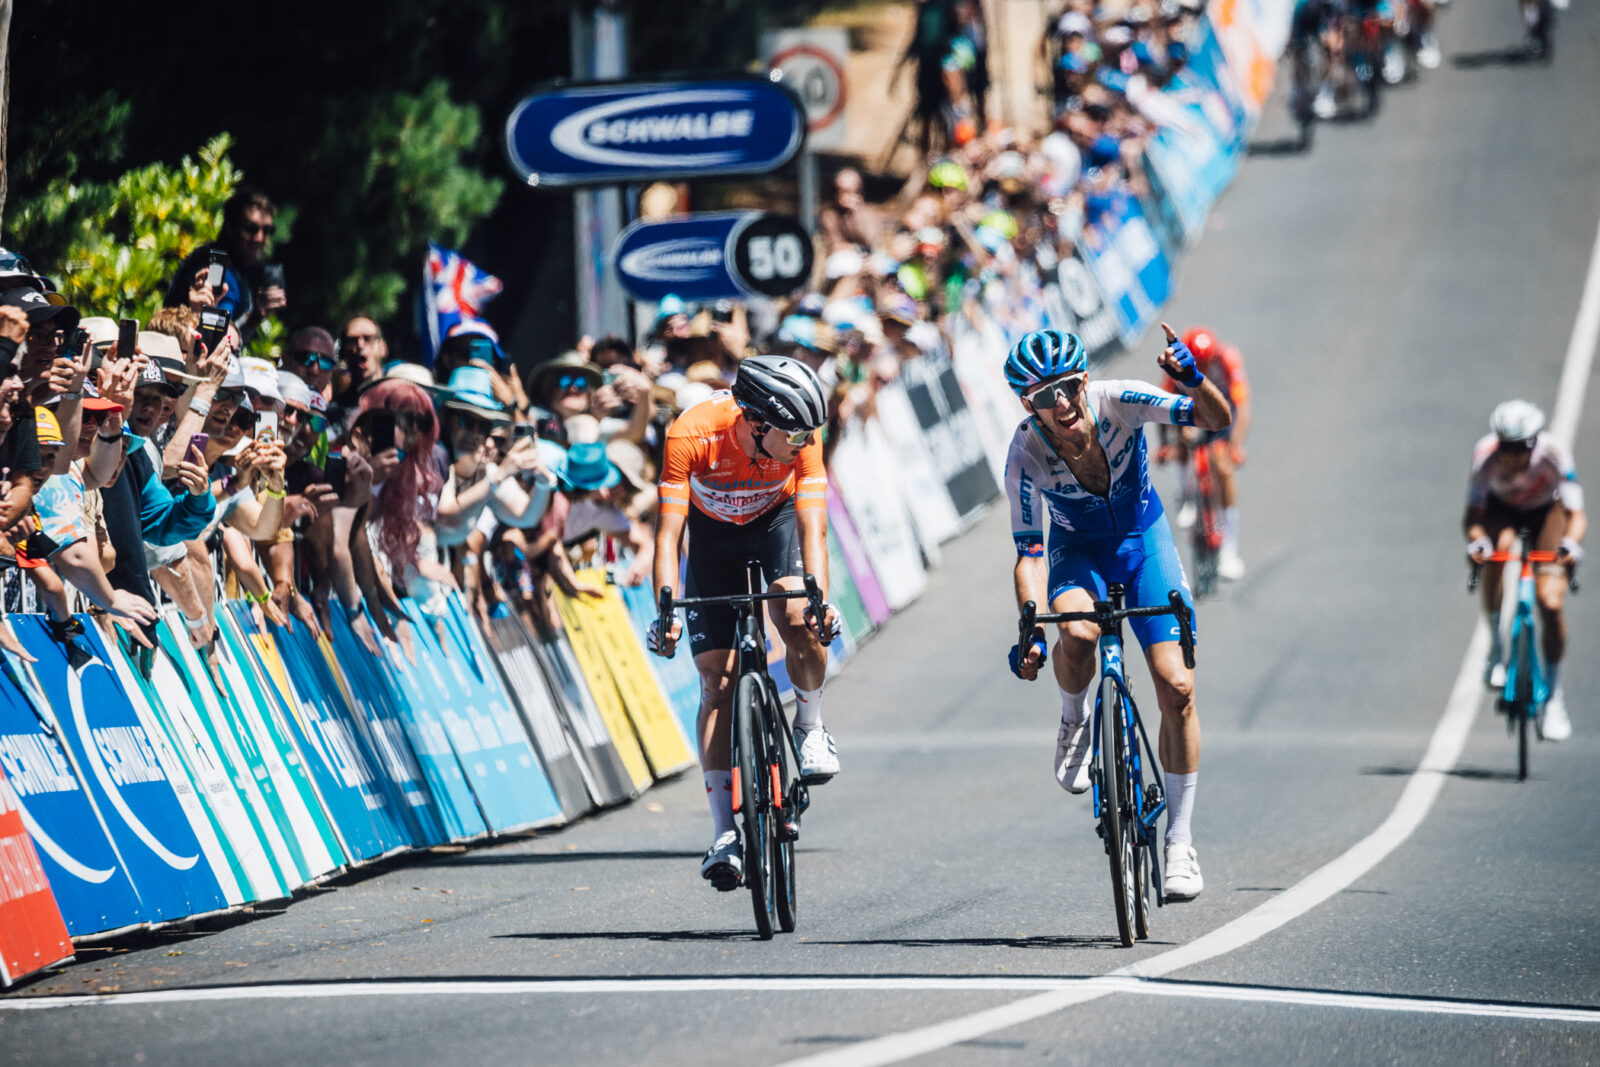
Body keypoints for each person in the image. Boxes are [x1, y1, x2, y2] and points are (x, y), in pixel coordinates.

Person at [1003, 326, 1230, 902]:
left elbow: (1214, 420)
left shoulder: (1121, 400)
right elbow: (1029, 555)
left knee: (1177, 687)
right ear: (1027, 407)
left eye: (1068, 388)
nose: (1061, 406)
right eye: (1042, 398)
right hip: (1077, 551)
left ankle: (1179, 841)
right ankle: (1074, 718)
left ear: (1085, 382)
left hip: (1142, 539)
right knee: (1075, 633)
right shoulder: (1025, 452)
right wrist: (1029, 623)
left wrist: (1194, 381)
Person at [648, 356, 843, 892]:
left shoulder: (803, 441)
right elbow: (668, 535)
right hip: (713, 537)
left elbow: (813, 526)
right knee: (716, 682)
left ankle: (810, 726)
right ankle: (723, 833)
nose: (805, 441)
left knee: (798, 614)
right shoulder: (692, 433)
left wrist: (819, 597)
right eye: (796, 432)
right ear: (757, 423)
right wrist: (665, 608)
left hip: (775, 523)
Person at [1464, 400, 1585, 740]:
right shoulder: (1485, 454)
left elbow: (1576, 514)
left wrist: (1571, 544)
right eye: (1505, 447)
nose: (1511, 456)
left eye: (1519, 448)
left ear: (1534, 442)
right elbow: (1473, 519)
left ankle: (1555, 699)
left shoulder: (1554, 453)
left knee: (1550, 602)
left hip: (1546, 511)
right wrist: (1478, 544)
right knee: (1498, 550)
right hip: (1502, 510)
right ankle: (1496, 651)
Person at [1157, 326, 1251, 579]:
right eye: (1199, 364)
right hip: (1190, 412)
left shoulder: (1228, 359)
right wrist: (1166, 444)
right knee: (1183, 439)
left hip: (1220, 413)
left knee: (1222, 467)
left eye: (1206, 363)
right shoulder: (1178, 367)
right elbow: (1160, 406)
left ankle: (1230, 548)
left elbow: (1242, 408)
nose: (1205, 368)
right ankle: (1185, 495)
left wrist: (1235, 446)